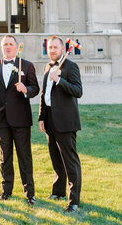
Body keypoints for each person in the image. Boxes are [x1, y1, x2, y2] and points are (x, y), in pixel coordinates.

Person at [0, 35, 39, 205]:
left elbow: (35, 88)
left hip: (21, 118)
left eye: (10, 44)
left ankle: (29, 193)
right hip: (0, 119)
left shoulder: (27, 65)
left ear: (16, 47)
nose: (8, 47)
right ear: (1, 47)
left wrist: (26, 90)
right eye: (5, 45)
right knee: (4, 157)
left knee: (24, 156)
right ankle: (6, 190)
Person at [38, 36, 82, 213]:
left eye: (55, 48)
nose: (52, 51)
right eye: (50, 48)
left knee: (70, 161)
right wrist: (41, 116)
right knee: (56, 158)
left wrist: (59, 80)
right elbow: (44, 94)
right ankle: (58, 191)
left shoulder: (71, 67)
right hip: (49, 119)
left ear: (63, 49)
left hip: (65, 121)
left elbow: (78, 91)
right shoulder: (47, 67)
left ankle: (74, 200)